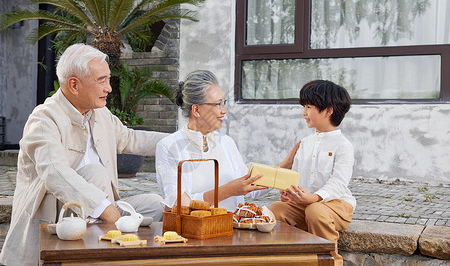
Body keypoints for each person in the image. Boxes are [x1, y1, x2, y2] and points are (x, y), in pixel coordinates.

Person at [0, 44, 167, 266]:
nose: (109, 88)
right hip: (60, 220)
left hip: (103, 213)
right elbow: (55, 172)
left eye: (109, 79)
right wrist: (103, 207)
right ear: (74, 84)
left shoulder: (100, 113)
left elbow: (129, 138)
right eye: (102, 80)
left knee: (157, 204)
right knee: (95, 173)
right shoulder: (44, 119)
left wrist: (178, 141)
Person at [156, 70, 268, 211]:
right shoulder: (168, 147)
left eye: (223, 103)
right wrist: (227, 190)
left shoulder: (227, 142)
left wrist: (284, 168)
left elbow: (249, 186)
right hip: (196, 230)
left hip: (233, 227)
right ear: (196, 110)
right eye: (218, 104)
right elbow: (179, 205)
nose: (224, 110)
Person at [270, 80, 355, 253]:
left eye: (309, 107)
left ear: (328, 111)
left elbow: (339, 182)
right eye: (304, 107)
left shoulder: (343, 145)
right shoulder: (304, 143)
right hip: (306, 206)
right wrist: (290, 193)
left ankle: (329, 260)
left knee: (316, 211)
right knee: (276, 208)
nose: (304, 113)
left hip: (336, 205)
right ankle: (290, 258)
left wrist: (315, 198)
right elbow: (296, 175)